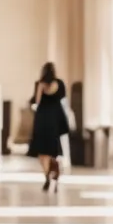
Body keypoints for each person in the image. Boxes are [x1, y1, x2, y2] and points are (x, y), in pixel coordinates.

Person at [27, 61, 69, 191]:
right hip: (56, 118)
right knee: (53, 150)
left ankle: (46, 176)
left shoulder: (40, 84)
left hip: (43, 118)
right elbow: (63, 98)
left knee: (42, 152)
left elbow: (38, 101)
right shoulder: (60, 84)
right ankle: (55, 170)